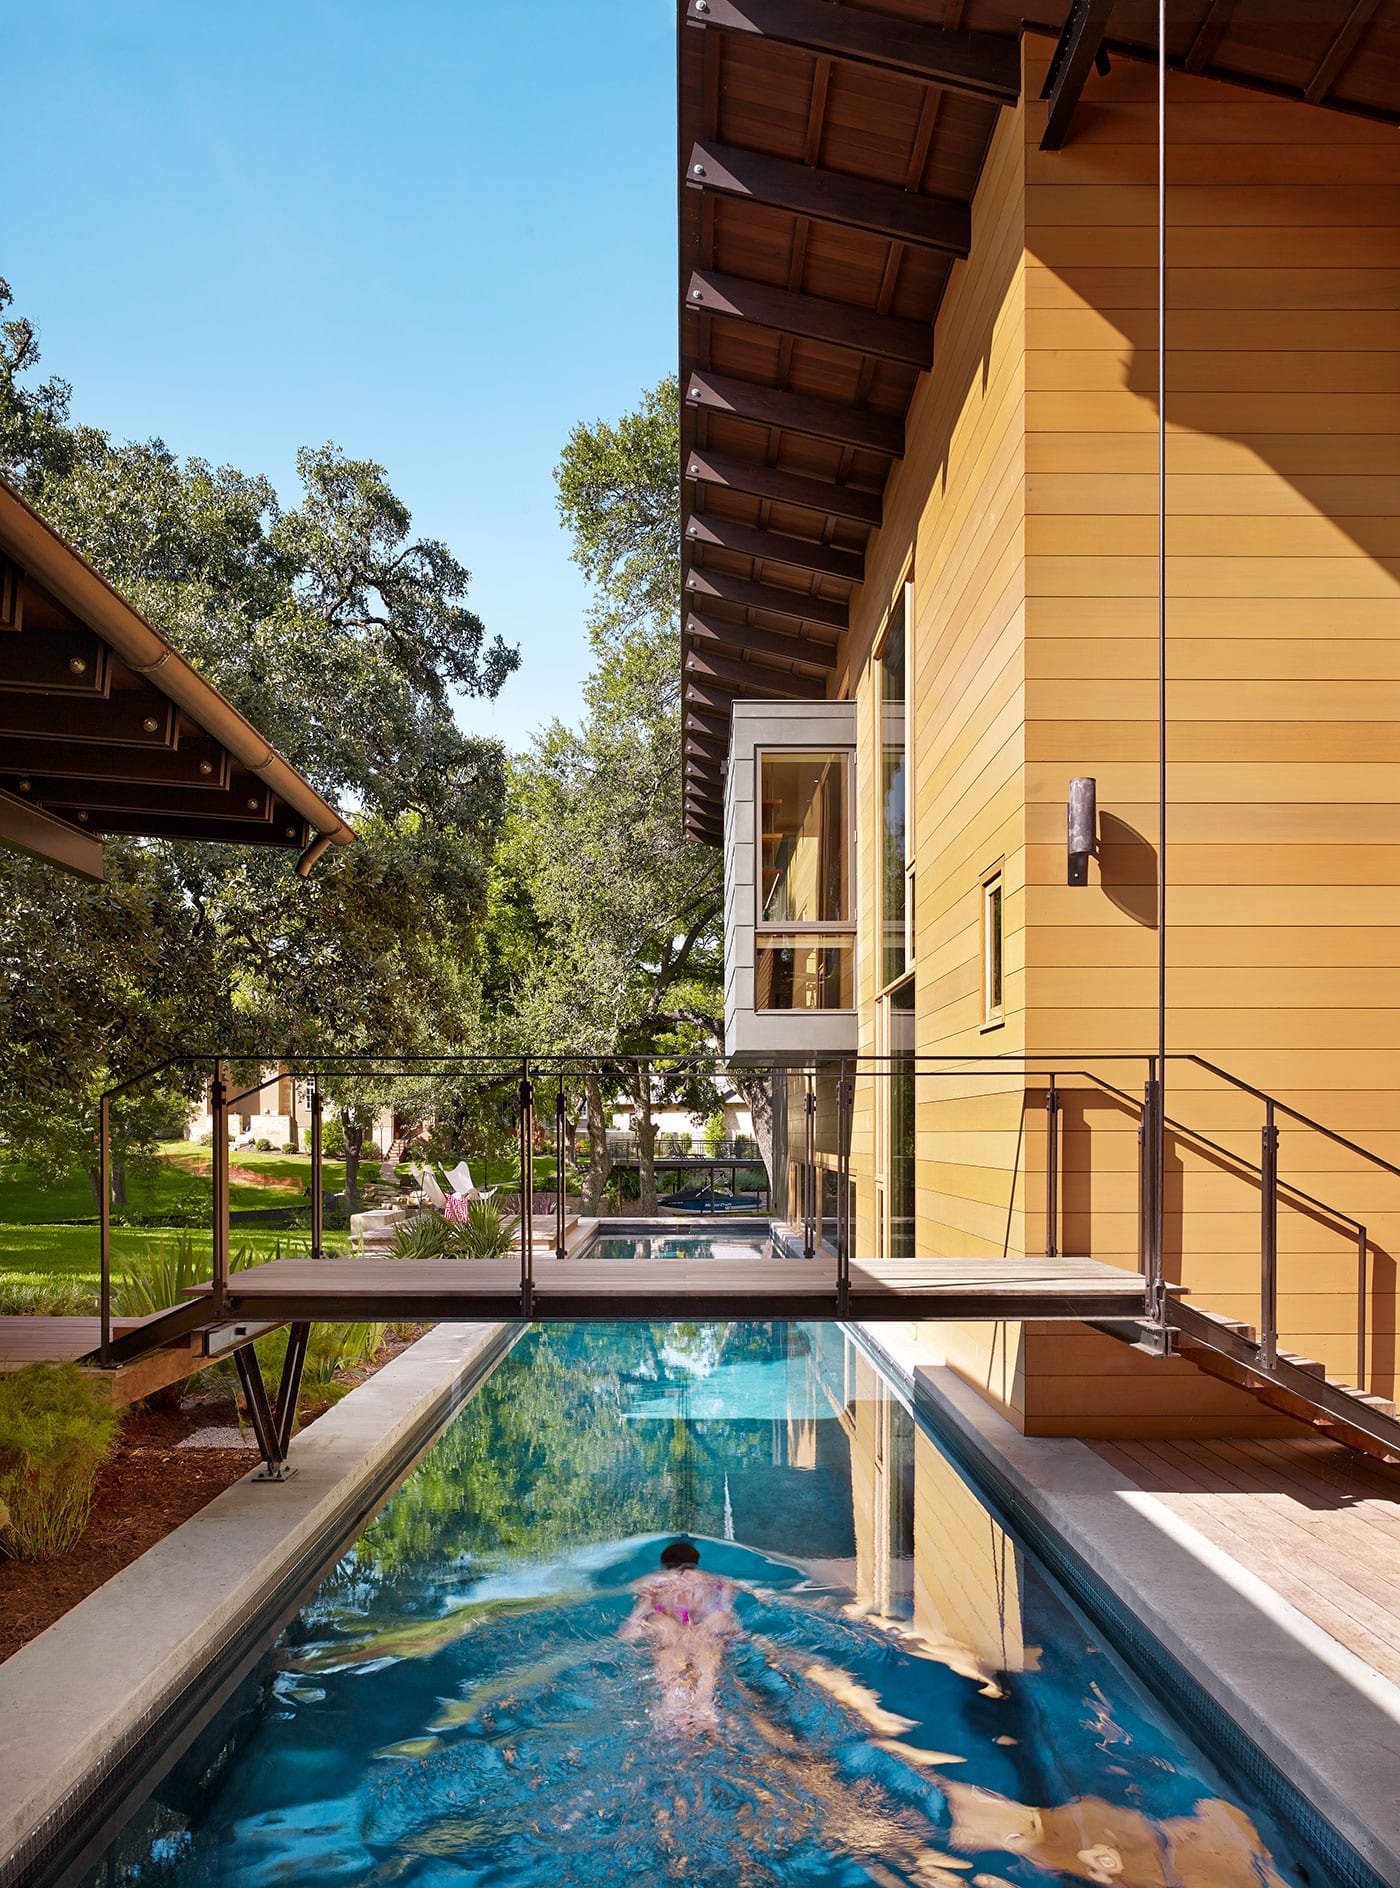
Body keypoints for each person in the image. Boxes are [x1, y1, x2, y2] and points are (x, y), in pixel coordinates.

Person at [619, 1539, 737, 1731]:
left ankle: (673, 1710)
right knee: (708, 1657)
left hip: (670, 1628)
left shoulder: (653, 1583)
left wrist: (630, 1633)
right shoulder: (719, 1581)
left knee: (669, 1654)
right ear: (696, 1561)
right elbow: (728, 1615)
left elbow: (632, 1626)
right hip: (704, 1627)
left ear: (664, 1563)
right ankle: (705, 1707)